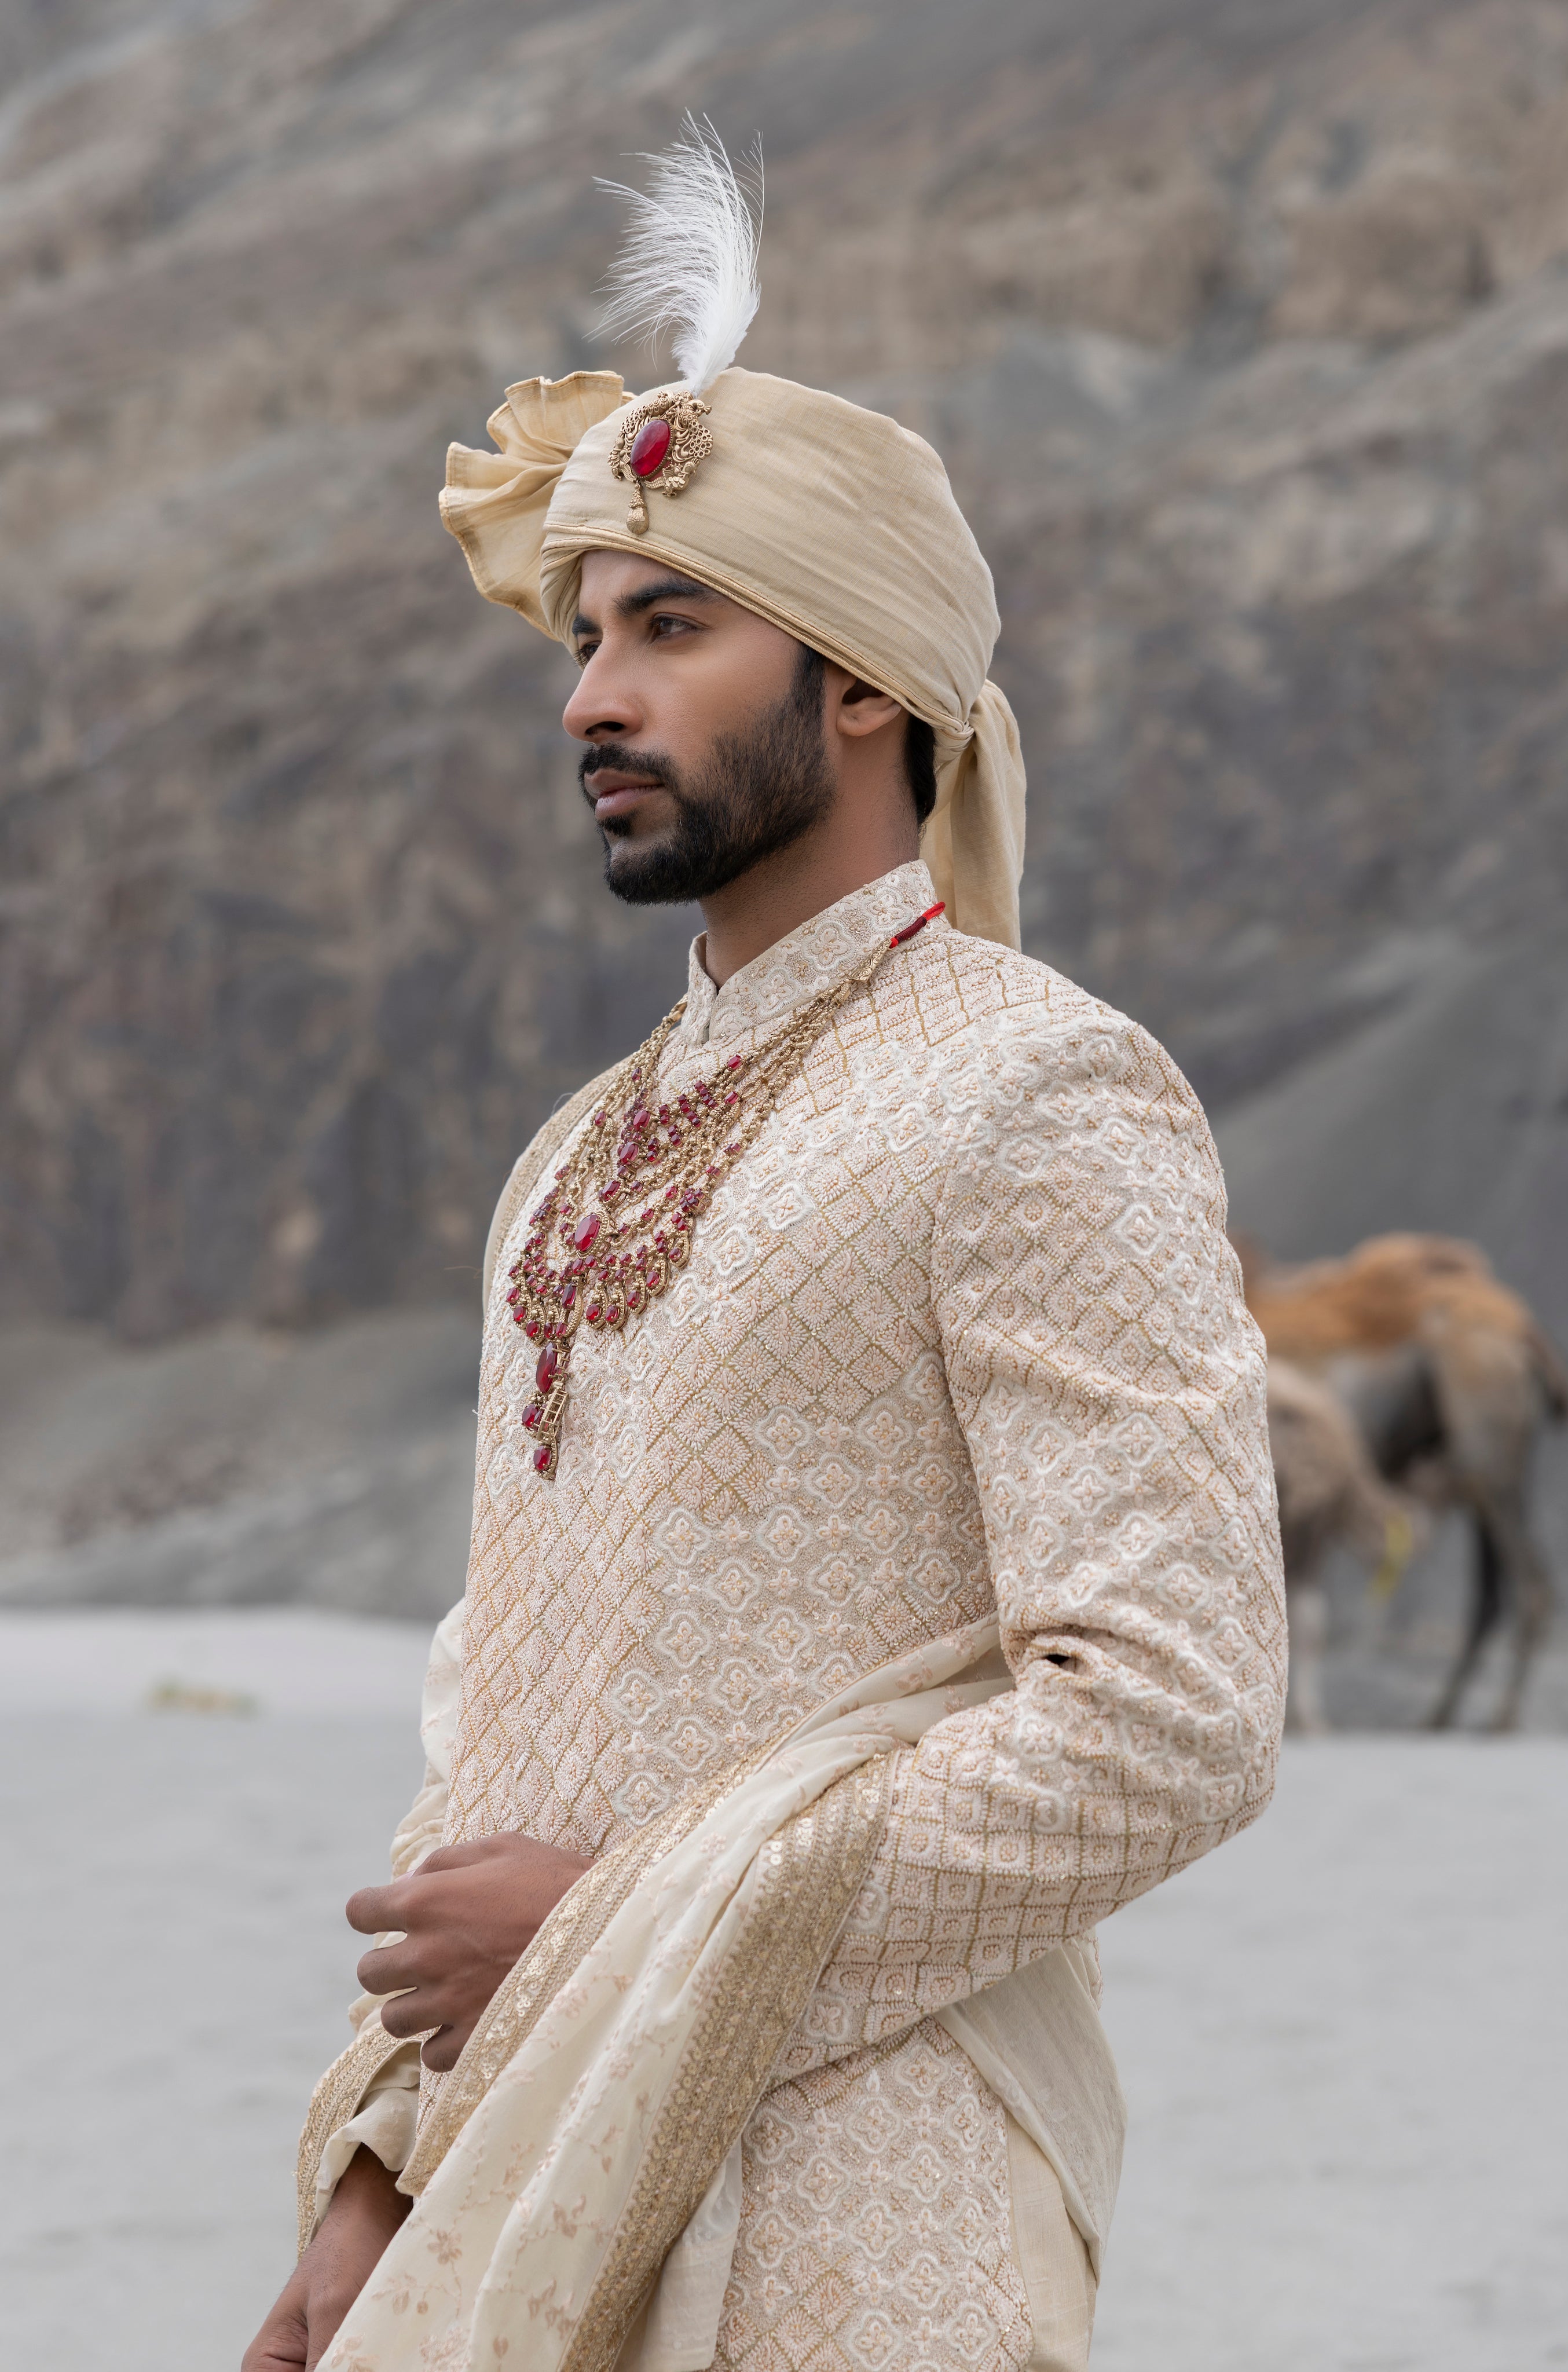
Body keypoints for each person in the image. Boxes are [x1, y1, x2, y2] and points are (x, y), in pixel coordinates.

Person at [242, 122, 1284, 2372]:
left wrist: (620, 1933)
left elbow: (1172, 1715)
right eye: (587, 636)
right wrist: (372, 2174)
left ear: (863, 683)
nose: (588, 700)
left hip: (863, 2220)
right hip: (518, 2199)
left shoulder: (1037, 1088)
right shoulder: (572, 1156)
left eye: (671, 629)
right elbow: (493, 1732)